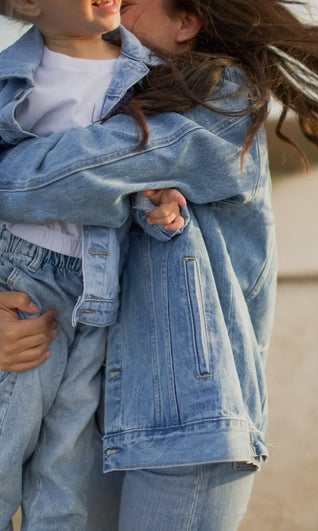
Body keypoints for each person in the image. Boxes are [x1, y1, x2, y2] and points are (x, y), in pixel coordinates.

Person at [2, 0, 318, 529]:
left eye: (130, 6)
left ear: (186, 23)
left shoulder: (220, 99)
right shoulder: (98, 98)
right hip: (101, 405)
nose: (113, 13)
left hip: (190, 417)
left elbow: (48, 182)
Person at [0, 0, 189, 528]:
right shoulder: (12, 79)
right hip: (24, 281)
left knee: (65, 471)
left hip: (103, 291)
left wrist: (160, 208)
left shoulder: (153, 78)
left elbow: (137, 180)